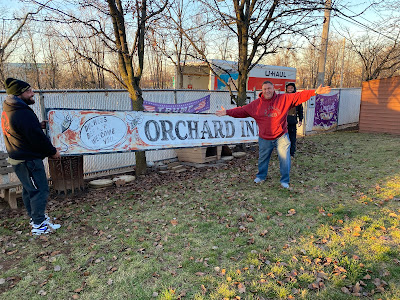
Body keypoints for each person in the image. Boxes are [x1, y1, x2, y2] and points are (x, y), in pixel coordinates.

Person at [216, 81, 331, 189]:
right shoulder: (256, 105)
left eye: (269, 88)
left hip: (281, 136)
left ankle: (284, 180)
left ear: (273, 89)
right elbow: (242, 110)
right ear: (262, 90)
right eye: (265, 89)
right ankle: (261, 177)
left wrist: (315, 92)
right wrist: (227, 112)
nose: (267, 91)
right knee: (262, 159)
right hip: (265, 138)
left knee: (285, 159)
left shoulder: (283, 99)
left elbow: (299, 96)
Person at [1, 78, 61, 235]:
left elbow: (21, 130)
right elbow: (37, 138)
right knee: (40, 190)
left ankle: (36, 218)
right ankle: (39, 225)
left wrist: (37, 125)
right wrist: (52, 151)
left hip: (18, 157)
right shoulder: (21, 112)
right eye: (28, 91)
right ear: (19, 94)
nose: (32, 93)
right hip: (28, 160)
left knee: (29, 190)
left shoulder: (9, 110)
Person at [285, 82, 303, 157]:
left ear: (294, 89)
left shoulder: (297, 98)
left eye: (291, 88)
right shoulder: (284, 97)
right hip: (284, 121)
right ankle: (284, 152)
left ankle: (292, 153)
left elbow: (300, 110)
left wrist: (300, 119)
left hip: (292, 120)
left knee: (292, 138)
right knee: (284, 138)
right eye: (288, 88)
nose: (290, 89)